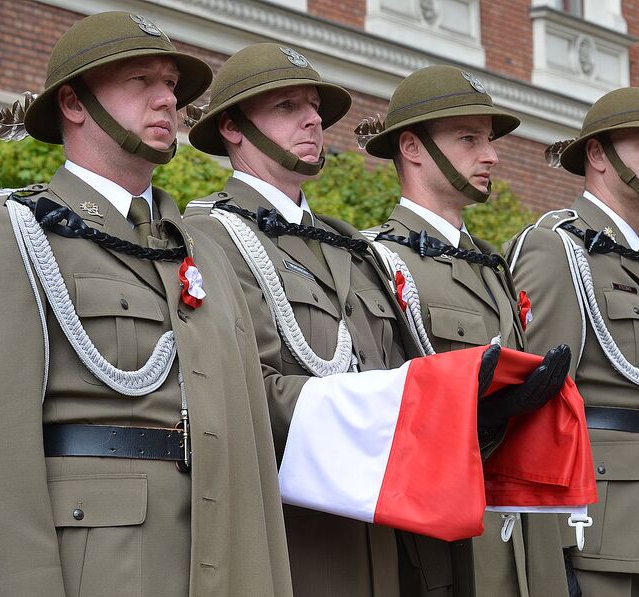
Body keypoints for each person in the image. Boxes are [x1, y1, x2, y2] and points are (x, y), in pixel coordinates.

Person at [0, 12, 293, 597]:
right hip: (95, 570)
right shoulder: (15, 232)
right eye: (141, 81)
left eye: (171, 84)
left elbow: (246, 436)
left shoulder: (203, 250)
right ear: (74, 104)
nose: (168, 99)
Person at [183, 45, 575, 597]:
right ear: (232, 127)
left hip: (379, 534)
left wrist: (482, 411)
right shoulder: (208, 237)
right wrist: (398, 405)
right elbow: (243, 395)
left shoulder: (347, 247)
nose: (313, 120)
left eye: (315, 107)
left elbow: (396, 372)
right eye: (287, 106)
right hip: (299, 535)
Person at [359, 64, 571, 596]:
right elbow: (380, 409)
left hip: (517, 540)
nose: (491, 155)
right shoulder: (375, 260)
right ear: (412, 147)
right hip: (441, 544)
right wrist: (480, 413)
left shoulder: (492, 266)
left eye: (489, 139)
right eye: (469, 139)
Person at [506, 87, 639, 596]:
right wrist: (552, 554)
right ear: (598, 155)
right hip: (598, 534)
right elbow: (534, 409)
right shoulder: (555, 247)